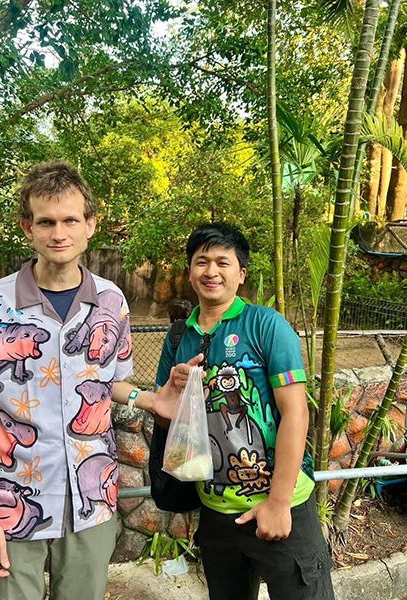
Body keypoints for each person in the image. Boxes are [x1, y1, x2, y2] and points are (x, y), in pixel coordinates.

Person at [0, 160, 178, 600]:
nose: (59, 233)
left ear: (90, 225)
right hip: (11, 502)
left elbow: (108, 382)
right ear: (28, 228)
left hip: (90, 500)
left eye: (71, 220)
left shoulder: (112, 301)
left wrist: (150, 399)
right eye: (46, 222)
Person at [155, 222, 335, 600]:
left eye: (223, 262)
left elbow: (296, 413)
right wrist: (174, 392)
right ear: (190, 271)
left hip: (282, 506)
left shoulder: (266, 325)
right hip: (216, 512)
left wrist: (279, 503)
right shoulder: (178, 337)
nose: (211, 271)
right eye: (202, 262)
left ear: (241, 274)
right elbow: (164, 418)